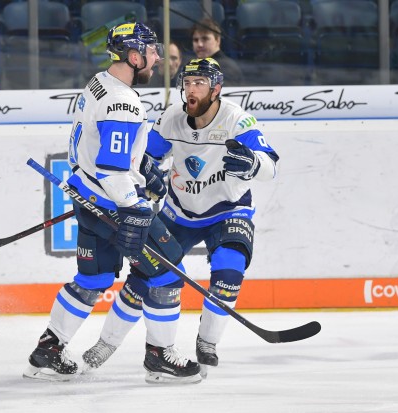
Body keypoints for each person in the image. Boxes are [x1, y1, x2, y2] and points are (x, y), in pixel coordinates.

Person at [23, 22, 202, 385]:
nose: (156, 58)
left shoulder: (99, 82)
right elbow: (111, 167)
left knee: (95, 278)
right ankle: (159, 358)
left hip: (88, 197)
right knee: (167, 272)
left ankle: (48, 351)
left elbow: (105, 151)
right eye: (151, 51)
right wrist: (135, 205)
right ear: (134, 56)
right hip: (114, 205)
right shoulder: (122, 101)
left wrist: (141, 165)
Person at [82, 57, 279, 378]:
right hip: (179, 211)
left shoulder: (236, 120)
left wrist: (254, 164)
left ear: (216, 88)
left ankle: (207, 342)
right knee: (142, 280)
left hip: (228, 210)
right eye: (187, 83)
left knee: (230, 272)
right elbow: (144, 158)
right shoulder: (172, 118)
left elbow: (271, 166)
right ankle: (106, 343)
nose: (191, 89)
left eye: (199, 83)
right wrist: (147, 173)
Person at [191, 18, 243, 87]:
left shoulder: (227, 68)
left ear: (217, 40)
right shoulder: (191, 66)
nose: (199, 44)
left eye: (205, 39)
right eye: (195, 40)